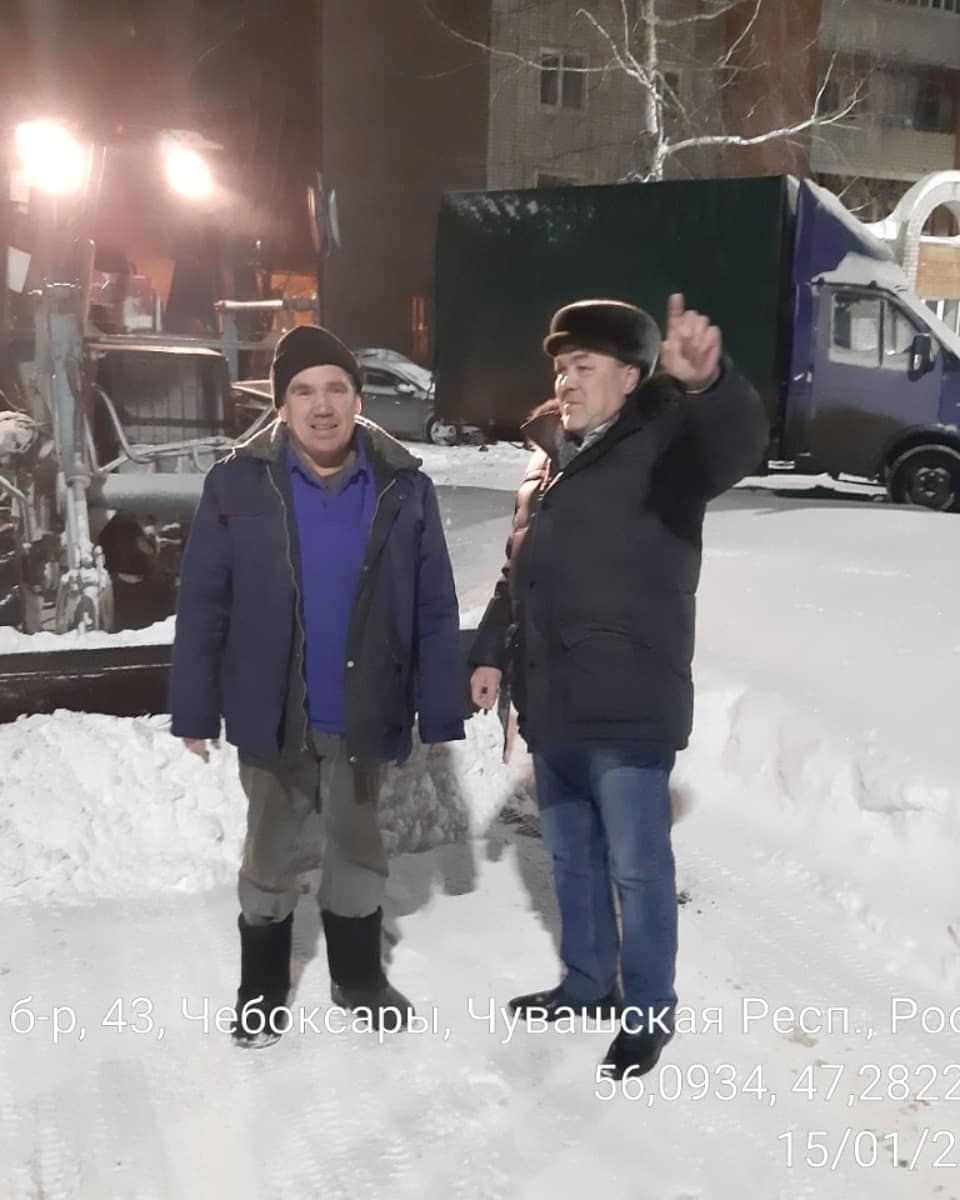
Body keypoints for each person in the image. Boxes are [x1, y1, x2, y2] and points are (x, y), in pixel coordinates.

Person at [469, 295, 768, 1079]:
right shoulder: (546, 461)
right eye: (560, 368)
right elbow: (517, 574)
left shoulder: (667, 446)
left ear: (630, 377)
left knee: (638, 869)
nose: (565, 381)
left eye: (584, 366)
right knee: (571, 858)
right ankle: (587, 983)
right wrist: (491, 651)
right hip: (553, 699)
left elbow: (733, 443)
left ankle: (648, 1012)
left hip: (630, 701)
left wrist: (709, 385)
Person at [170, 324, 465, 1048]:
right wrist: (193, 709)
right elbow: (204, 602)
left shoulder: (403, 486)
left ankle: (357, 977)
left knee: (357, 846)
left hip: (363, 708)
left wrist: (441, 707)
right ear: (281, 406)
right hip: (272, 709)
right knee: (270, 848)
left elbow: (433, 603)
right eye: (303, 391)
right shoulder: (236, 485)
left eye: (336, 388)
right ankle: (262, 985)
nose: (321, 405)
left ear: (359, 399)